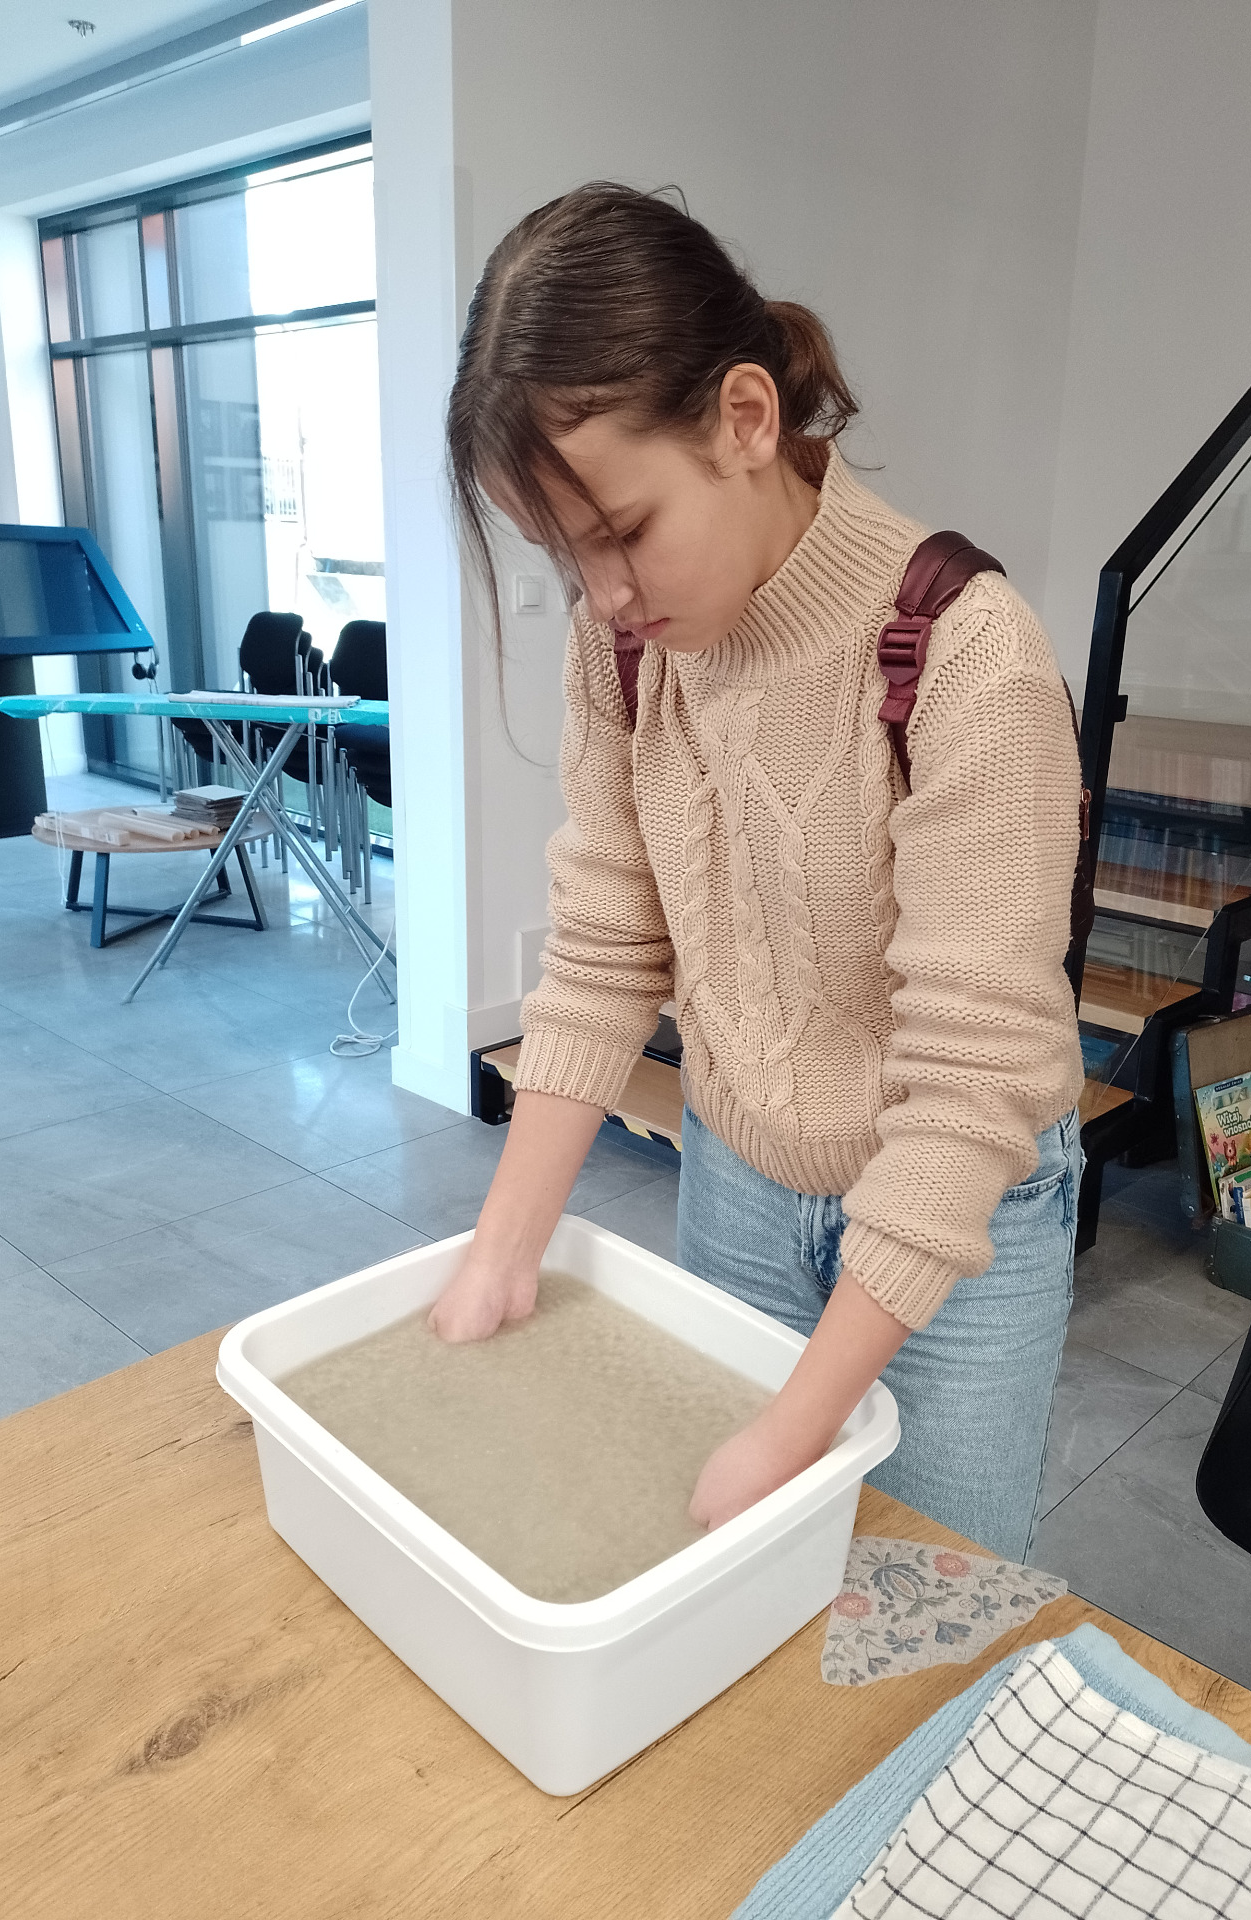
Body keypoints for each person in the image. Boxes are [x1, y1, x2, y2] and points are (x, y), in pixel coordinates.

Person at [430, 183, 1086, 1560]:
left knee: (918, 1609)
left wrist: (794, 1429)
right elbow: (604, 949)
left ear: (744, 418)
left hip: (955, 1218)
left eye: (622, 532)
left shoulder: (967, 655)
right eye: (564, 560)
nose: (607, 596)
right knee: (735, 1603)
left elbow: (972, 1082)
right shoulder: (625, 648)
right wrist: (500, 1252)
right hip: (734, 1178)